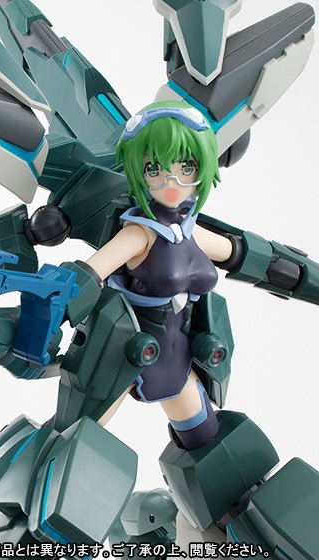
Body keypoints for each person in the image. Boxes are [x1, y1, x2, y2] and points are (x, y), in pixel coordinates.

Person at [85, 100, 234, 450]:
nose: (171, 182)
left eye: (186, 167)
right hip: (123, 355)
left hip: (176, 356)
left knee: (206, 440)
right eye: (154, 169)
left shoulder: (190, 231)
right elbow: (86, 276)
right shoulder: (140, 234)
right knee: (74, 437)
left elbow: (244, 254)